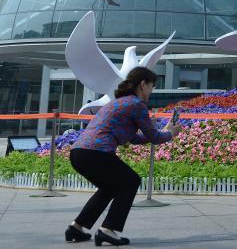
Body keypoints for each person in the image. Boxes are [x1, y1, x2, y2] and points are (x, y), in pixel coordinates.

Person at [65, 67, 179, 246]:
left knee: (110, 187)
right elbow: (154, 137)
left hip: (79, 153)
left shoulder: (117, 102)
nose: (152, 90)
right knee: (131, 181)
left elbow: (134, 138)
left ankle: (77, 228)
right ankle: (108, 230)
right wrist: (170, 134)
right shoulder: (136, 104)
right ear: (143, 84)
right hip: (96, 153)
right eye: (152, 86)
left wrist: (161, 132)